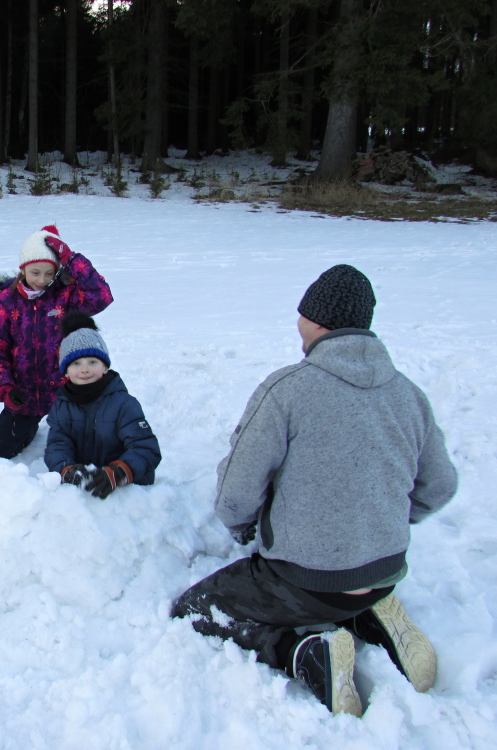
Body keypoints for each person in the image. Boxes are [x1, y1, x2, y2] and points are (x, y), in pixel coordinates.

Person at [170, 264, 458, 716]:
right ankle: (372, 614)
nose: (297, 323)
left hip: (304, 580)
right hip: (383, 572)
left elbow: (235, 496)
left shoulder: (287, 391)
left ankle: (303, 652)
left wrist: (244, 528)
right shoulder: (409, 394)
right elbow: (440, 486)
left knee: (194, 609)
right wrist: (378, 518)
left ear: (318, 322)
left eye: (302, 315)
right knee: (348, 586)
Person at [0, 225, 113, 459]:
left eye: (49, 273)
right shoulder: (7, 300)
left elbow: (101, 296)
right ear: (23, 268)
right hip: (23, 395)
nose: (42, 280)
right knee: (0, 452)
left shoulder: (65, 295)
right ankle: (28, 427)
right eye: (35, 272)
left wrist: (71, 258)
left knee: (87, 452)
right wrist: (6, 388)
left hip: (64, 392)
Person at [44, 313, 160, 498]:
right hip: (85, 490)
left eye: (92, 362)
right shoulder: (61, 407)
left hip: (125, 491)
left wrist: (119, 472)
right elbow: (57, 445)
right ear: (65, 371)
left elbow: (145, 448)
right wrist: (66, 469)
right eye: (76, 363)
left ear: (105, 367)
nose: (84, 369)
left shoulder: (123, 404)